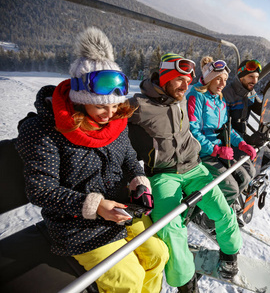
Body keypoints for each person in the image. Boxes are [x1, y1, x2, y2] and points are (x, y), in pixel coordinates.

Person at [15, 27, 169, 293]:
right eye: (100, 106)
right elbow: (41, 189)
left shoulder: (115, 122)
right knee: (128, 279)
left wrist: (138, 180)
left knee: (159, 255)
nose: (109, 114)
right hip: (76, 224)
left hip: (119, 211)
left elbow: (129, 157)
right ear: (79, 100)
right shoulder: (45, 131)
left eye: (114, 106)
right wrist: (96, 206)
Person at [128, 53, 242, 292]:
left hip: (194, 167)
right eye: (179, 79)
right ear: (165, 77)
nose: (185, 84)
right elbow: (105, 116)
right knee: (169, 227)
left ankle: (230, 255)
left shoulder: (182, 98)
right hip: (162, 174)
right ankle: (185, 283)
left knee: (222, 210)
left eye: (188, 79)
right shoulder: (139, 106)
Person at [186, 56, 257, 210]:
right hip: (202, 153)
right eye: (218, 79)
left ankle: (224, 207)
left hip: (219, 149)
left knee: (245, 177)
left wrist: (242, 144)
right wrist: (215, 150)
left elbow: (226, 127)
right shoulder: (196, 96)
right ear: (209, 79)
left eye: (225, 79)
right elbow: (193, 131)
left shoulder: (219, 99)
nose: (223, 84)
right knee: (231, 188)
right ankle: (208, 218)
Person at [223, 59, 270, 174]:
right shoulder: (227, 94)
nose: (255, 81)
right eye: (251, 77)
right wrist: (248, 140)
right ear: (241, 77)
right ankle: (245, 182)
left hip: (243, 137)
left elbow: (260, 110)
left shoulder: (250, 92)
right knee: (248, 167)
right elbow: (223, 127)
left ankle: (250, 183)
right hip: (229, 140)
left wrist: (269, 93)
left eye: (257, 77)